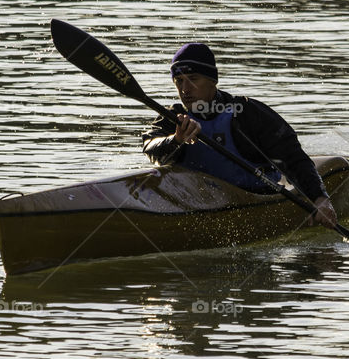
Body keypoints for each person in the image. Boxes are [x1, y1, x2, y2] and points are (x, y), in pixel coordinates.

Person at [141, 42, 338, 229]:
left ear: (212, 80)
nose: (185, 89)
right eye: (179, 81)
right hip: (194, 203)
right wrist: (176, 139)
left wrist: (319, 198)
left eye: (193, 79)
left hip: (253, 199)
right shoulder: (172, 118)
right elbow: (150, 147)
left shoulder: (245, 113)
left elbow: (291, 156)